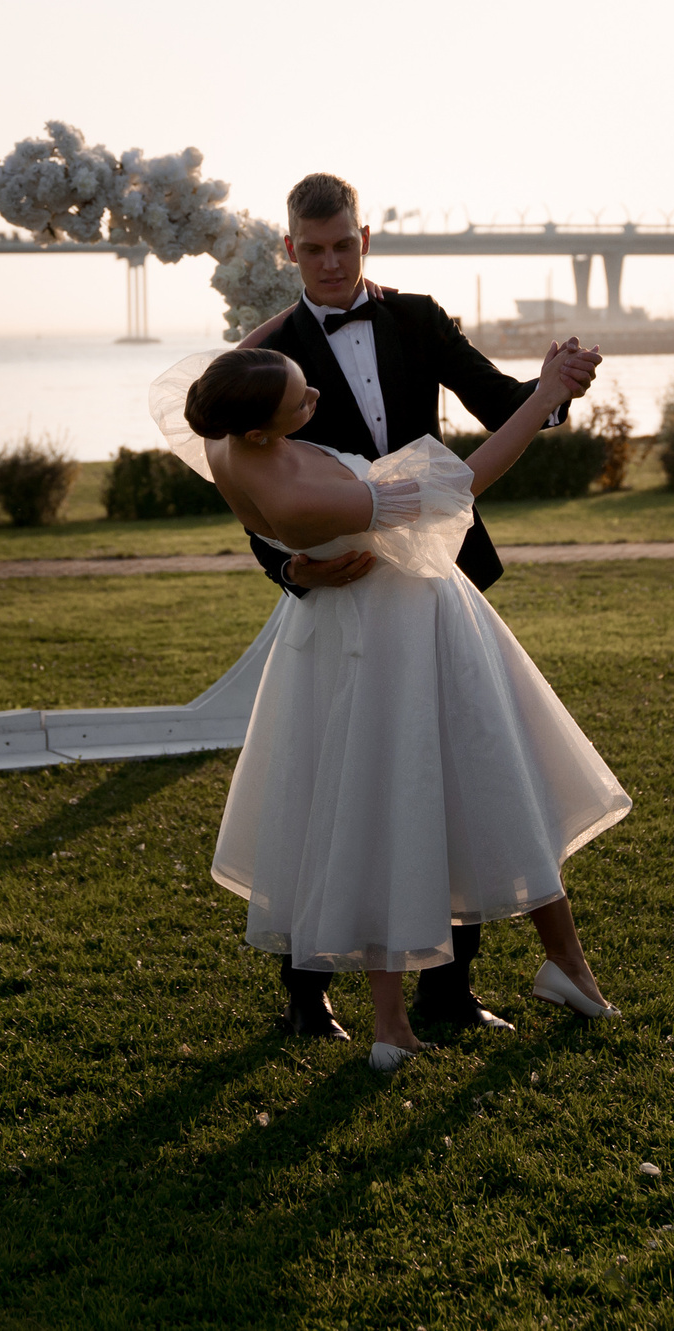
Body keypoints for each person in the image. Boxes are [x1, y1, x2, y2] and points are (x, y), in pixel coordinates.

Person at [171, 339, 632, 1071]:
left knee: (386, 799)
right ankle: (521, 980)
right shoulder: (300, 493)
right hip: (403, 632)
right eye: (302, 399)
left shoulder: (226, 443)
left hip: (348, 636)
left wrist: (293, 565)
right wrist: (544, 397)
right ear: (260, 426)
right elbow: (468, 479)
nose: (316, 399)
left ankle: (400, 1022)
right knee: (483, 784)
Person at [230, 171, 602, 1040]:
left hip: (436, 579)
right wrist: (291, 571)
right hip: (341, 594)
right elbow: (249, 486)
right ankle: (306, 990)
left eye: (343, 244)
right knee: (330, 775)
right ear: (289, 249)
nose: (328, 261)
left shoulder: (419, 317)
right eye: (311, 248)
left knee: (451, 770)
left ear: (367, 239)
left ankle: (449, 992)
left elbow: (500, 406)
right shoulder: (271, 353)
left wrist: (555, 388)